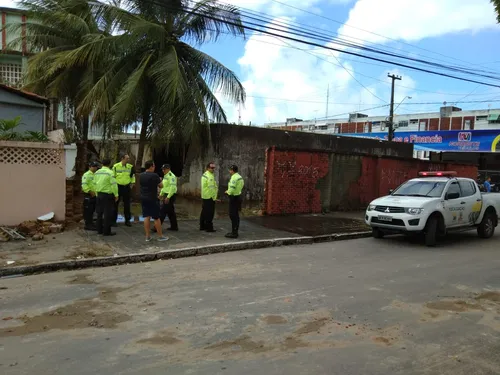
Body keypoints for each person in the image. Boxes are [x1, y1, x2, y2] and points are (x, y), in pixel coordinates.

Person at [140, 160, 169, 242]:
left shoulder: (141, 175)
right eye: (154, 165)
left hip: (143, 197)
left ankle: (147, 236)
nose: (154, 167)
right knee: (156, 217)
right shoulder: (154, 175)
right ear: (151, 166)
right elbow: (161, 185)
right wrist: (159, 180)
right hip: (152, 198)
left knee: (146, 216)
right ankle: (160, 236)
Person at [94, 158, 118, 236]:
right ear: (109, 164)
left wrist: (96, 193)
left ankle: (99, 230)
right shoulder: (110, 173)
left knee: (99, 213)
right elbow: (114, 184)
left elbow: (94, 184)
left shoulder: (97, 172)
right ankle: (106, 231)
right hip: (108, 195)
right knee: (107, 213)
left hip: (99, 194)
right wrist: (116, 194)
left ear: (102, 164)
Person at [112, 154, 135, 227]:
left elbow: (132, 176)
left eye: (128, 159)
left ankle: (127, 220)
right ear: (122, 158)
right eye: (127, 158)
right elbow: (112, 177)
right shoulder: (115, 166)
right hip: (118, 187)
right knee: (115, 204)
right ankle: (113, 220)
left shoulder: (130, 167)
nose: (128, 160)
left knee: (127, 204)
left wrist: (132, 184)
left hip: (127, 187)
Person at [225, 165, 245, 238]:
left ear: (232, 170)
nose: (229, 171)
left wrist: (228, 192)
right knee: (236, 215)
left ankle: (234, 233)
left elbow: (232, 188)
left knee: (232, 215)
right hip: (238, 196)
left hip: (234, 198)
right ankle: (235, 231)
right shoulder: (240, 177)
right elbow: (241, 186)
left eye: (230, 170)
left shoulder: (234, 177)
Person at [200, 162, 218, 232]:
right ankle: (209, 227)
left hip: (205, 195)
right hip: (209, 197)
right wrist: (214, 197)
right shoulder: (210, 176)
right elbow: (212, 189)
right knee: (210, 213)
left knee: (204, 211)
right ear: (208, 168)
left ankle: (202, 226)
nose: (213, 169)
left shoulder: (205, 174)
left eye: (214, 168)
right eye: (211, 168)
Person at [159, 164, 179, 231]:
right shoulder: (166, 176)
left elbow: (172, 188)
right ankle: (174, 226)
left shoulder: (171, 176)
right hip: (166, 194)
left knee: (163, 211)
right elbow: (164, 186)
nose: (163, 170)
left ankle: (157, 227)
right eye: (162, 169)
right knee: (171, 212)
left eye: (164, 169)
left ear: (168, 169)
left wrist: (168, 197)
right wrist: (161, 194)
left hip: (170, 195)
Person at [82, 161, 99, 230]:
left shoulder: (96, 174)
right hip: (89, 195)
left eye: (96, 166)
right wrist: (89, 191)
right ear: (89, 167)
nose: (95, 168)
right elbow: (84, 185)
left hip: (95, 195)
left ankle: (91, 223)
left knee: (92, 210)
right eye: (93, 166)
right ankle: (88, 225)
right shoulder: (87, 175)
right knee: (88, 210)